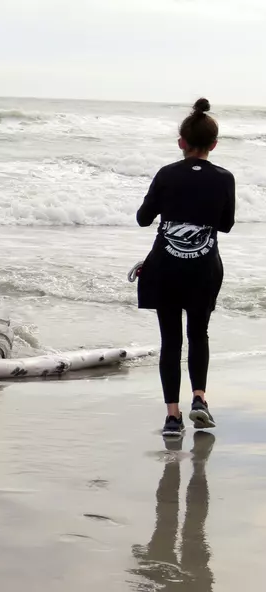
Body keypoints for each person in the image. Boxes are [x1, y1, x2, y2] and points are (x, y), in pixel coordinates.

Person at [135, 98, 235, 438]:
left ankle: (173, 418)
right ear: (214, 144)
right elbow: (226, 225)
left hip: (165, 268)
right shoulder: (224, 178)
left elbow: (143, 219)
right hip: (204, 269)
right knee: (199, 334)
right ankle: (199, 399)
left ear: (181, 142)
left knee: (170, 340)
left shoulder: (166, 174)